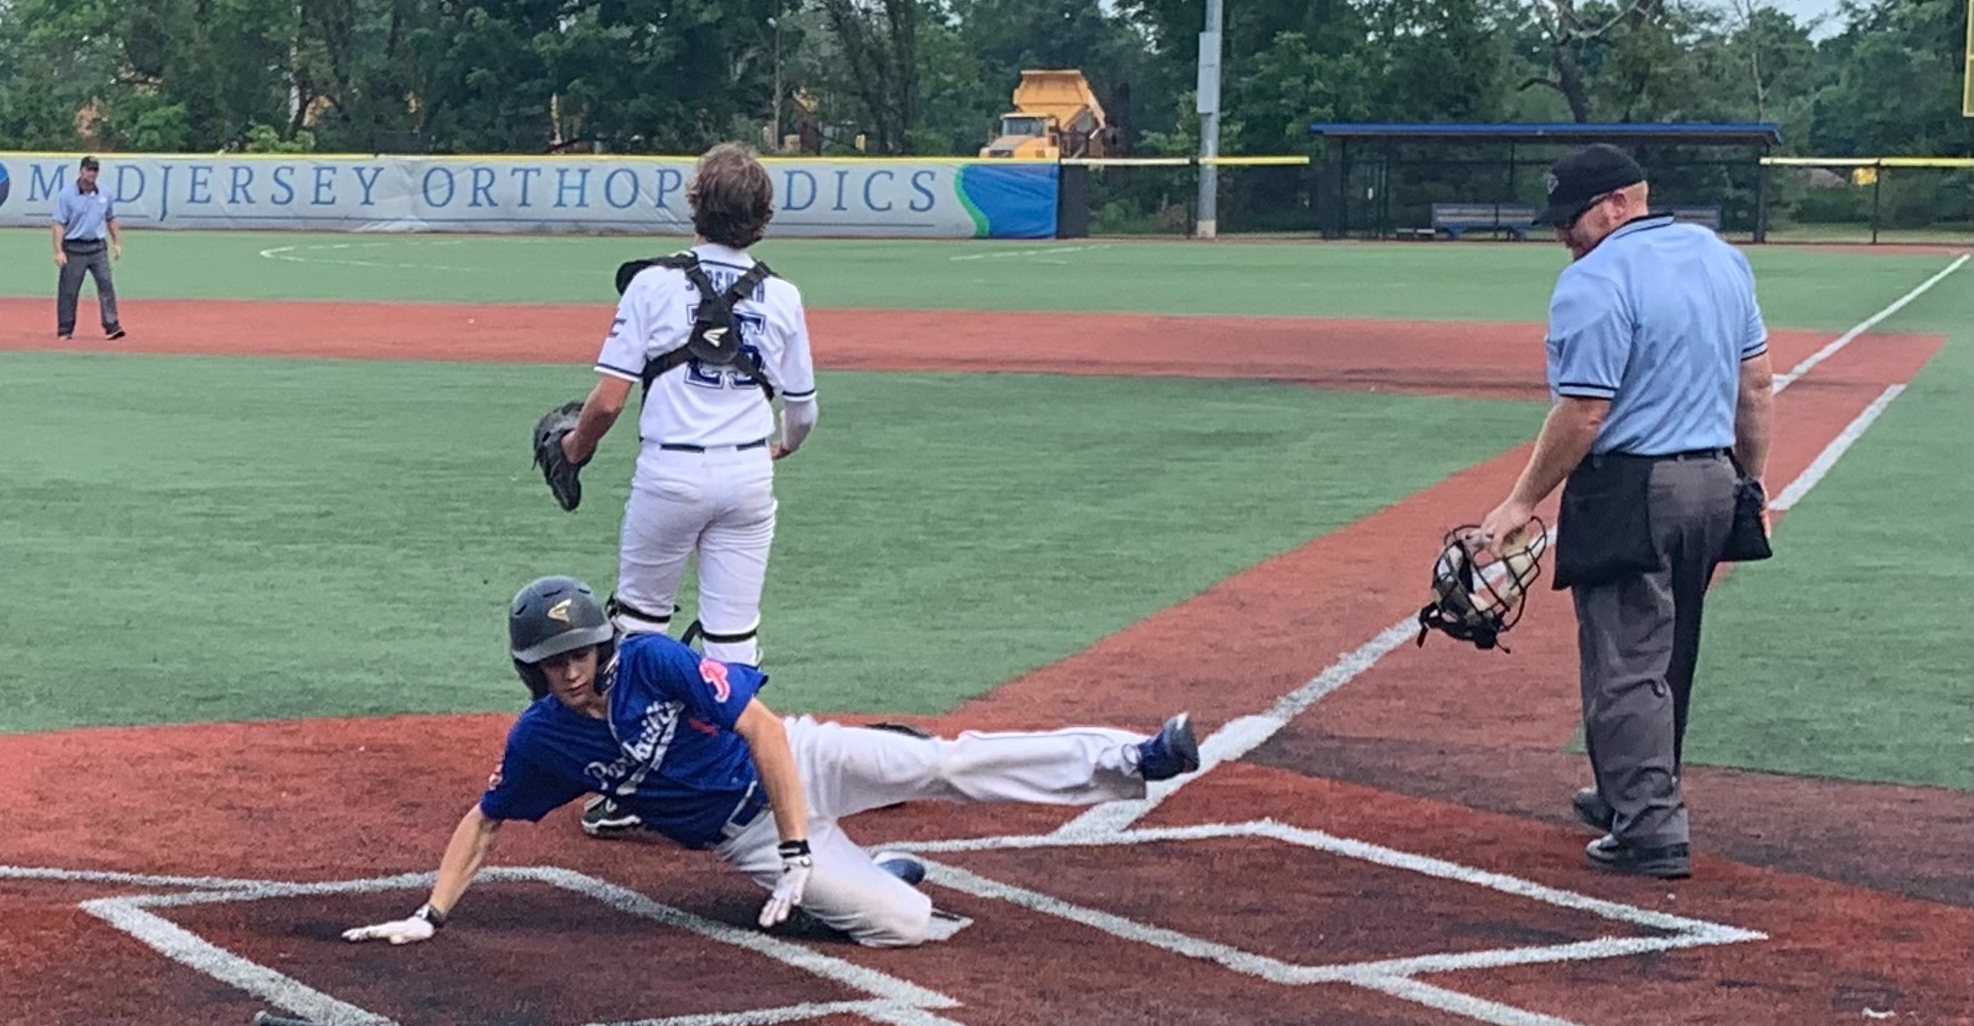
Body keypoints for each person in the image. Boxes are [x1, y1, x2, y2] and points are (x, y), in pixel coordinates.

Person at [341, 575, 1202, 949]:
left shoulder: (650, 660)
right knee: (904, 927)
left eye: (579, 652)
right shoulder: (543, 741)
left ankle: (1130, 756)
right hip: (738, 837)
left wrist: (798, 846)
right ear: (531, 669)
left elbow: (760, 729)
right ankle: (871, 876)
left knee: (942, 763)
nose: (570, 669)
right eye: (552, 660)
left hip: (801, 760)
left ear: (600, 644)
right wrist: (431, 914)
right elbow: (486, 820)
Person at [1476, 143, 1774, 880]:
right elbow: (1758, 386)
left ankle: (1648, 827)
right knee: (1670, 650)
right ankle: (1628, 788)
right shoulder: (1718, 256)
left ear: (1618, 202)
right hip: (1713, 479)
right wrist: (1750, 485)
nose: (1562, 233)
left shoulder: (1594, 278)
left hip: (1633, 487)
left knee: (1625, 657)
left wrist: (1522, 500)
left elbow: (1584, 413)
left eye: (1570, 217)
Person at [555, 141, 817, 839]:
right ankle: (737, 780)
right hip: (747, 476)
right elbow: (804, 413)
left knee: (639, 630)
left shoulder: (651, 284)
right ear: (762, 217)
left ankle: (636, 785)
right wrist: (777, 447)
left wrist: (574, 450)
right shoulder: (783, 295)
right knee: (734, 633)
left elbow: (608, 403)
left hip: (669, 474)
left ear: (695, 206)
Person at [51, 155, 126, 341]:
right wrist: (58, 250)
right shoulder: (67, 194)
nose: (92, 173)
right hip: (74, 247)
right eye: (89, 169)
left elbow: (111, 218)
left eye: (95, 170)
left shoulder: (104, 193)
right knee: (69, 289)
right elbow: (58, 224)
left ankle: (112, 327)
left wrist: (116, 242)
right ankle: (65, 329)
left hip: (97, 247)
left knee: (106, 284)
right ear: (81, 171)